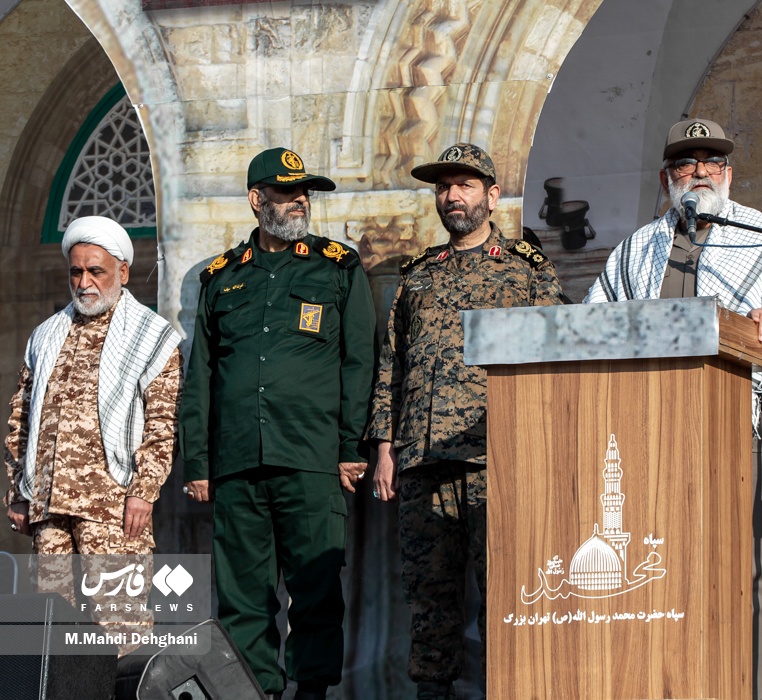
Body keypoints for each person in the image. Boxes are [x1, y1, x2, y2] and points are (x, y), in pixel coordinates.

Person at [582, 117, 762, 698]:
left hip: (741, 419)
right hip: (649, 425)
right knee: (660, 552)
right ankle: (664, 676)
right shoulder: (639, 245)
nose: (700, 174)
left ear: (730, 174)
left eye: (712, 163)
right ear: (667, 178)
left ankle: (746, 680)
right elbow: (592, 317)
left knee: (749, 561)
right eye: (687, 165)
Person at [178, 147, 377, 700]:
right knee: (242, 597)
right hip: (238, 460)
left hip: (311, 457)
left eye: (303, 193)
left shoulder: (337, 265)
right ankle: (253, 691)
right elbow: (202, 374)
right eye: (287, 193)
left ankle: (311, 692)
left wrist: (350, 445)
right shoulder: (220, 278)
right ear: (255, 200)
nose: (299, 202)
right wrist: (198, 460)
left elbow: (359, 360)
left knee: (315, 589)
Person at [368, 143, 564, 700]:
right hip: (423, 461)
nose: (452, 197)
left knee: (506, 591)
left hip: (495, 459)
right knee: (428, 596)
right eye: (443, 188)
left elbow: (554, 360)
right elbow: (393, 364)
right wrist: (385, 446)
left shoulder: (528, 273)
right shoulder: (419, 275)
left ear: (492, 196)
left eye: (465, 186)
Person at [4, 216, 182, 648]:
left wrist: (144, 490)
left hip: (113, 509)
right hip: (48, 510)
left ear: (122, 271)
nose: (84, 281)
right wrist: (18, 493)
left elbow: (163, 424)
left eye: (95, 271)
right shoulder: (46, 335)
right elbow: (21, 418)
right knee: (54, 634)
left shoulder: (151, 337)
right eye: (76, 271)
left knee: (121, 630)